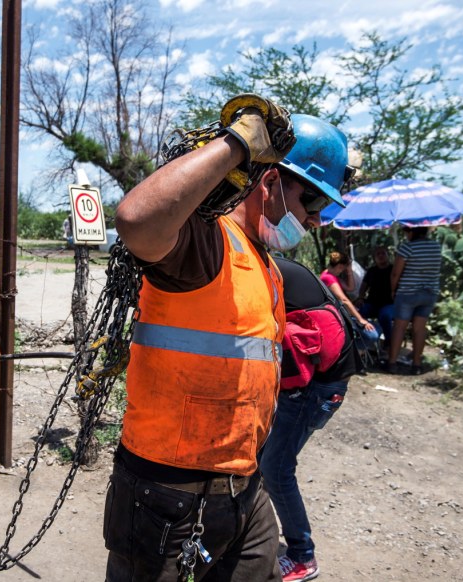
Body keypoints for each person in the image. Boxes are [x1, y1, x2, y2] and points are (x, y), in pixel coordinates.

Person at [103, 96, 351, 582]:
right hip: (166, 494)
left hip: (243, 487)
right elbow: (136, 220)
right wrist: (239, 144)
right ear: (273, 181)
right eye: (315, 201)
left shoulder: (263, 261)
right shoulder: (205, 241)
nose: (318, 219)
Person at [260, 256, 361, 582]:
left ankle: (303, 556)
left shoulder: (263, 269)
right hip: (315, 383)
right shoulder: (279, 267)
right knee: (261, 457)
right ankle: (248, 527)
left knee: (275, 468)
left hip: (313, 389)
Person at [386, 226, 442, 375]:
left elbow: (396, 273)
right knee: (419, 328)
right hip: (429, 293)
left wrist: (393, 289)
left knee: (399, 327)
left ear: (412, 232)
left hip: (408, 293)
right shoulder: (436, 247)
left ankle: (392, 362)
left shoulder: (408, 247)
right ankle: (416, 364)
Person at [321, 251, 378, 348]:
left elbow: (351, 288)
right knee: (372, 335)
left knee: (376, 326)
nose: (342, 271)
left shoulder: (331, 275)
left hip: (344, 313)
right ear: (340, 266)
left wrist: (349, 271)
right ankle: (354, 352)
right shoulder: (328, 278)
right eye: (343, 269)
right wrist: (360, 320)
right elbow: (344, 300)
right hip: (340, 315)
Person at [357, 245, 394, 350]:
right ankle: (365, 338)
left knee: (385, 315)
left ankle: (388, 340)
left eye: (383, 253)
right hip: (372, 303)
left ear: (387, 255)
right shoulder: (372, 271)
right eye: (378, 254)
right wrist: (360, 297)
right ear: (374, 258)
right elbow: (364, 286)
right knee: (360, 313)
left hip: (389, 303)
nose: (381, 256)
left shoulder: (393, 270)